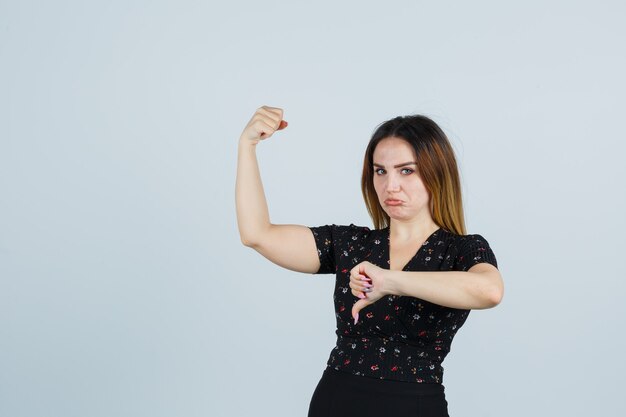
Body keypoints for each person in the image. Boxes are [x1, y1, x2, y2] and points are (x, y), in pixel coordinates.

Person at [235, 105, 504, 417]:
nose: (390, 186)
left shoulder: (461, 250)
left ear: (437, 172)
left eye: (407, 170)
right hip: (336, 401)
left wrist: (389, 281)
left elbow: (489, 291)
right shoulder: (352, 244)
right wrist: (247, 146)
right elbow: (257, 234)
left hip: (415, 406)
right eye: (380, 171)